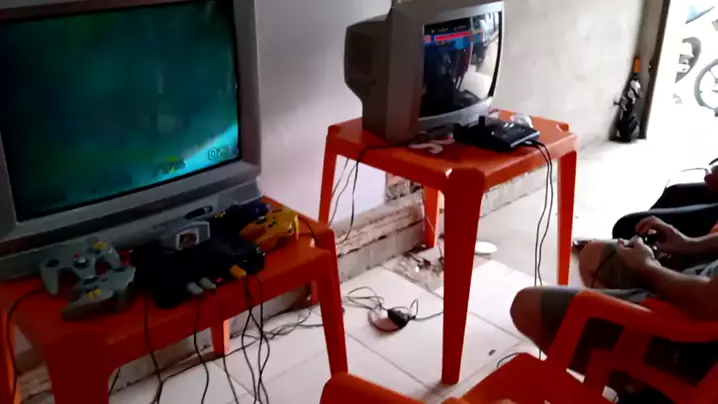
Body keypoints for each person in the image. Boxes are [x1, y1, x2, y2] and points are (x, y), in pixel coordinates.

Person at [512, 216, 718, 402]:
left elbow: (707, 303)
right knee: (593, 254)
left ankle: (647, 386)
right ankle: (628, 372)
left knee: (527, 307)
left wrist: (649, 267)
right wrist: (689, 244)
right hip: (701, 279)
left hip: (694, 331)